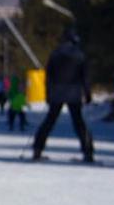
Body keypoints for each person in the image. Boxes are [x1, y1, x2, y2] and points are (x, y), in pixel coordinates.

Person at [32, 28, 96, 163]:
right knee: (79, 122)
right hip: (74, 93)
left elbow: (48, 77)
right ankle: (88, 152)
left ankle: (37, 149)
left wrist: (48, 94)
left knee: (49, 121)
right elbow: (85, 77)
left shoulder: (55, 54)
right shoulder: (79, 55)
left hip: (56, 92)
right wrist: (87, 93)